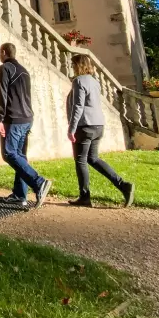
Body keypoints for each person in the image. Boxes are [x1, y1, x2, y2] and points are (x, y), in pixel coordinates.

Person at [67, 54, 135, 208]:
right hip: (98, 125)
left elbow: (78, 106)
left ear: (78, 65)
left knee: (81, 160)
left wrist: (71, 127)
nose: (72, 68)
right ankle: (123, 185)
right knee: (93, 158)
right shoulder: (94, 82)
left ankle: (84, 197)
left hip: (84, 126)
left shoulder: (79, 81)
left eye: (73, 65)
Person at [0, 43, 52, 209]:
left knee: (9, 153)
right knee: (20, 155)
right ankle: (20, 195)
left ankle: (39, 182)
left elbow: (2, 93)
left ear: (4, 52)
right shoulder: (24, 71)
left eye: (0, 53)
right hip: (27, 118)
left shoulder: (5, 68)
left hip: (14, 118)